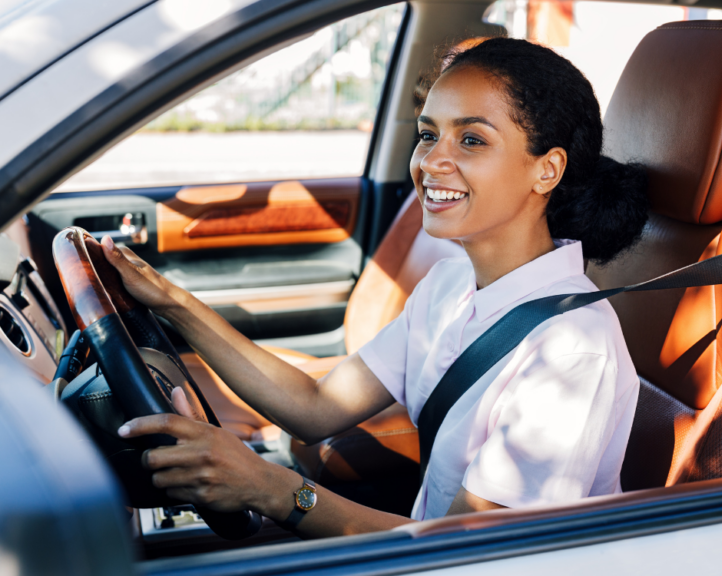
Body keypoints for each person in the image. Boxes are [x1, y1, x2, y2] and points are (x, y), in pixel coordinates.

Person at [107, 36, 648, 538]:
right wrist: (171, 302)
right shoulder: (450, 284)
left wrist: (269, 487)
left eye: (472, 139)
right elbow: (315, 406)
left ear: (547, 170)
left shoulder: (571, 349)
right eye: (429, 134)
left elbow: (470, 551)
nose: (432, 161)